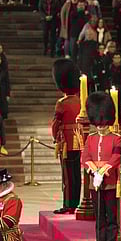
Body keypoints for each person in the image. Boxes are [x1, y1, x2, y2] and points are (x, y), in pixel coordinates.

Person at [82, 92, 121, 241]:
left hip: (110, 180)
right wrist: (93, 170)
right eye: (98, 123)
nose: (100, 126)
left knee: (111, 214)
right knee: (99, 215)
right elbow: (85, 156)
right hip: (95, 181)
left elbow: (117, 156)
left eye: (103, 123)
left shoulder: (116, 138)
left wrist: (103, 171)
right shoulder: (91, 138)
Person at [51, 59, 81, 214]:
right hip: (79, 141)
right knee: (76, 174)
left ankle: (69, 204)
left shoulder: (62, 102)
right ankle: (77, 202)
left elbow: (56, 123)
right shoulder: (81, 101)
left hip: (66, 143)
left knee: (68, 177)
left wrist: (55, 138)